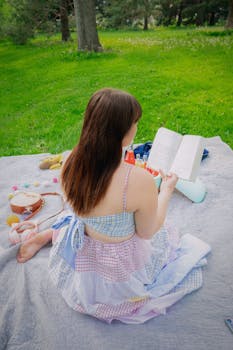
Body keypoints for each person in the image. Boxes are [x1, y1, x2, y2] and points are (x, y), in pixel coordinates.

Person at [17, 88, 210, 324]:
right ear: (125, 132)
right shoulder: (138, 180)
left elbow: (82, 207)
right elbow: (147, 232)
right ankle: (50, 234)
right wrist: (166, 191)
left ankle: (50, 234)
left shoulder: (69, 160)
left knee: (79, 220)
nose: (137, 127)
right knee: (165, 234)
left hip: (85, 246)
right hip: (117, 265)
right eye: (135, 123)